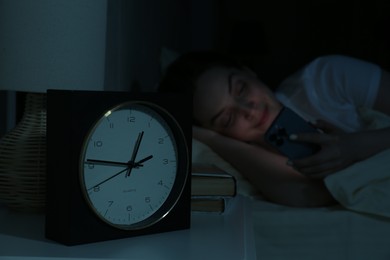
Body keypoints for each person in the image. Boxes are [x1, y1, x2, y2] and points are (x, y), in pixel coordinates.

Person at [159, 51, 390, 207]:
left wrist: (357, 146)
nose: (247, 109)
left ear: (249, 72)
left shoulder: (326, 78)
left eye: (241, 89)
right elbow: (309, 194)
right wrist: (210, 138)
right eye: (228, 118)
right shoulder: (254, 159)